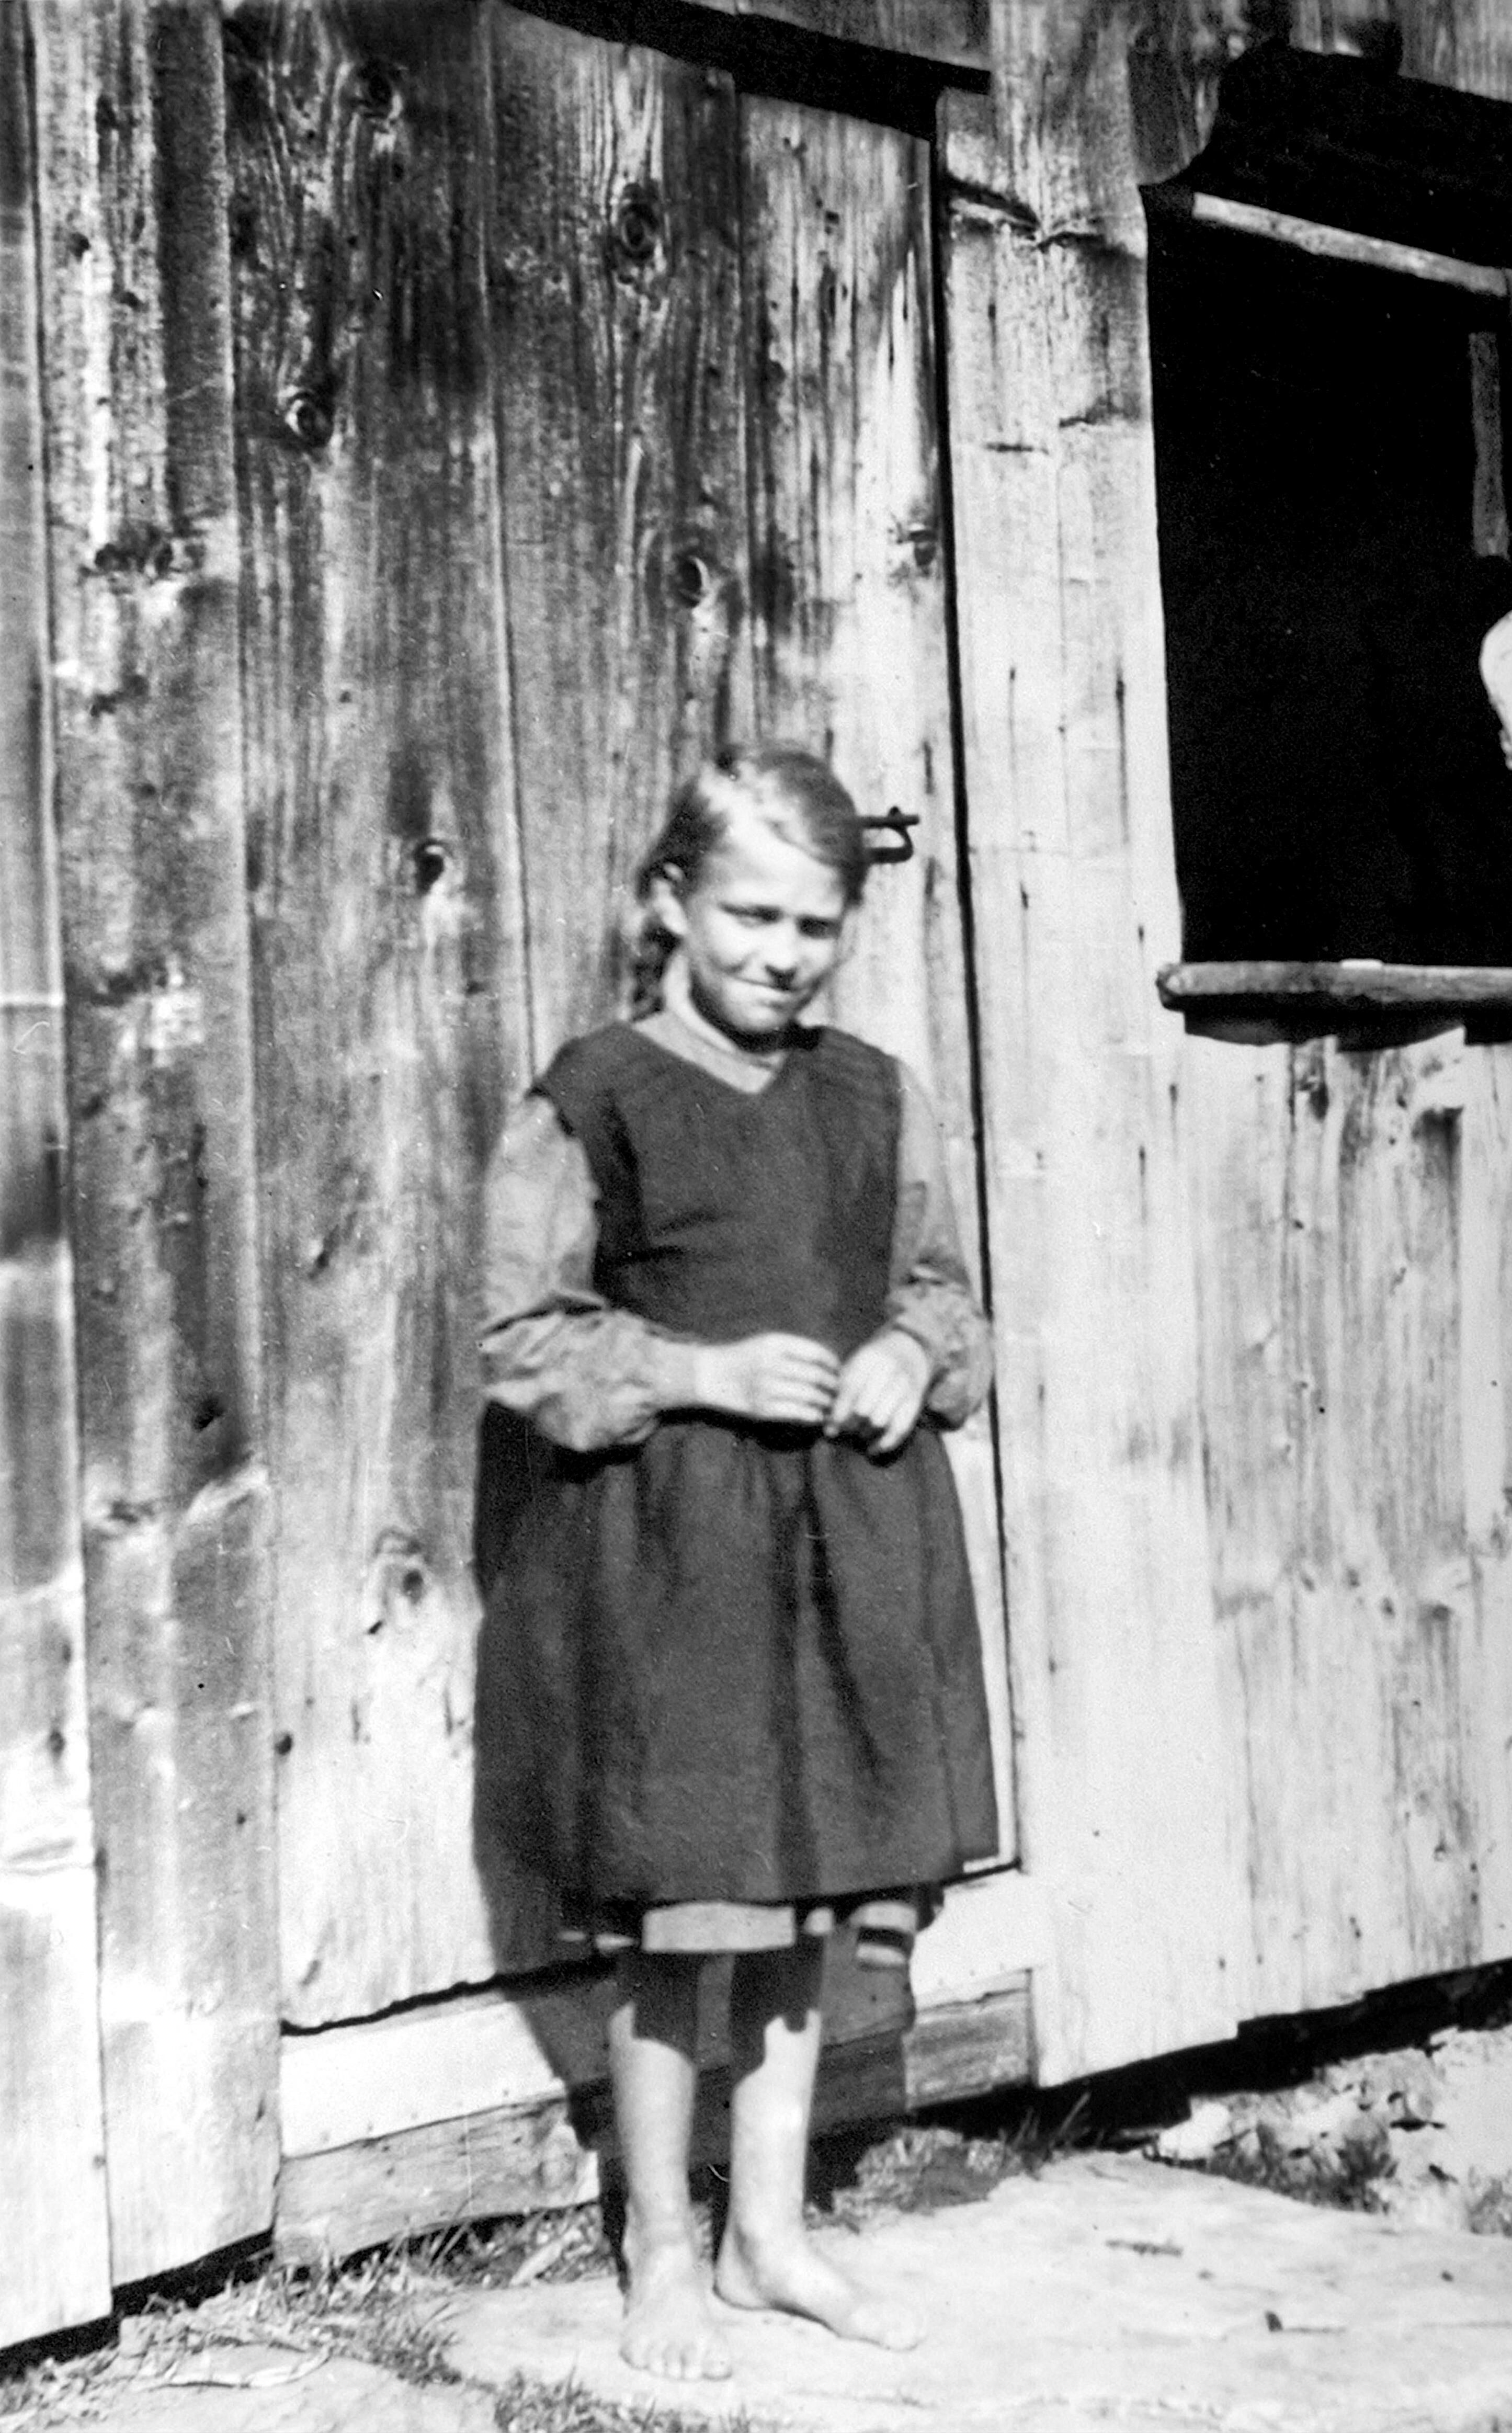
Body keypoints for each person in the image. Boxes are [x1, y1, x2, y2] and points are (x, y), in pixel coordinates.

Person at [476, 742, 997, 2382]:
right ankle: (661, 2243)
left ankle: (769, 2237)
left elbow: (945, 1293)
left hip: (846, 1541)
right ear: (672, 904)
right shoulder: (597, 1095)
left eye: (815, 924)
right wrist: (703, 1371)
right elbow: (521, 1336)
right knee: (688, 1909)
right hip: (678, 1558)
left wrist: (912, 1352)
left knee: (805, 1898)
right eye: (750, 915)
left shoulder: (877, 1094)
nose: (783, 953)